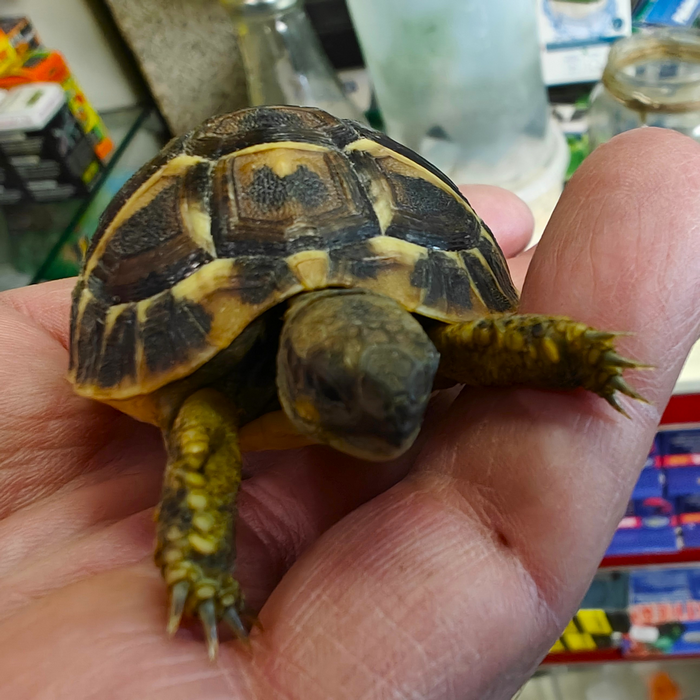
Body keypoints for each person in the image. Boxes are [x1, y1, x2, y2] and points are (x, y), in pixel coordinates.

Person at [0, 126, 698, 699]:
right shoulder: (209, 395)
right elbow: (202, 452)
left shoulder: (431, 348)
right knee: (205, 431)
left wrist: (576, 359)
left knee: (462, 345)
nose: (393, 424)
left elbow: (465, 345)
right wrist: (199, 566)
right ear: (299, 371)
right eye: (338, 396)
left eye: (417, 380)